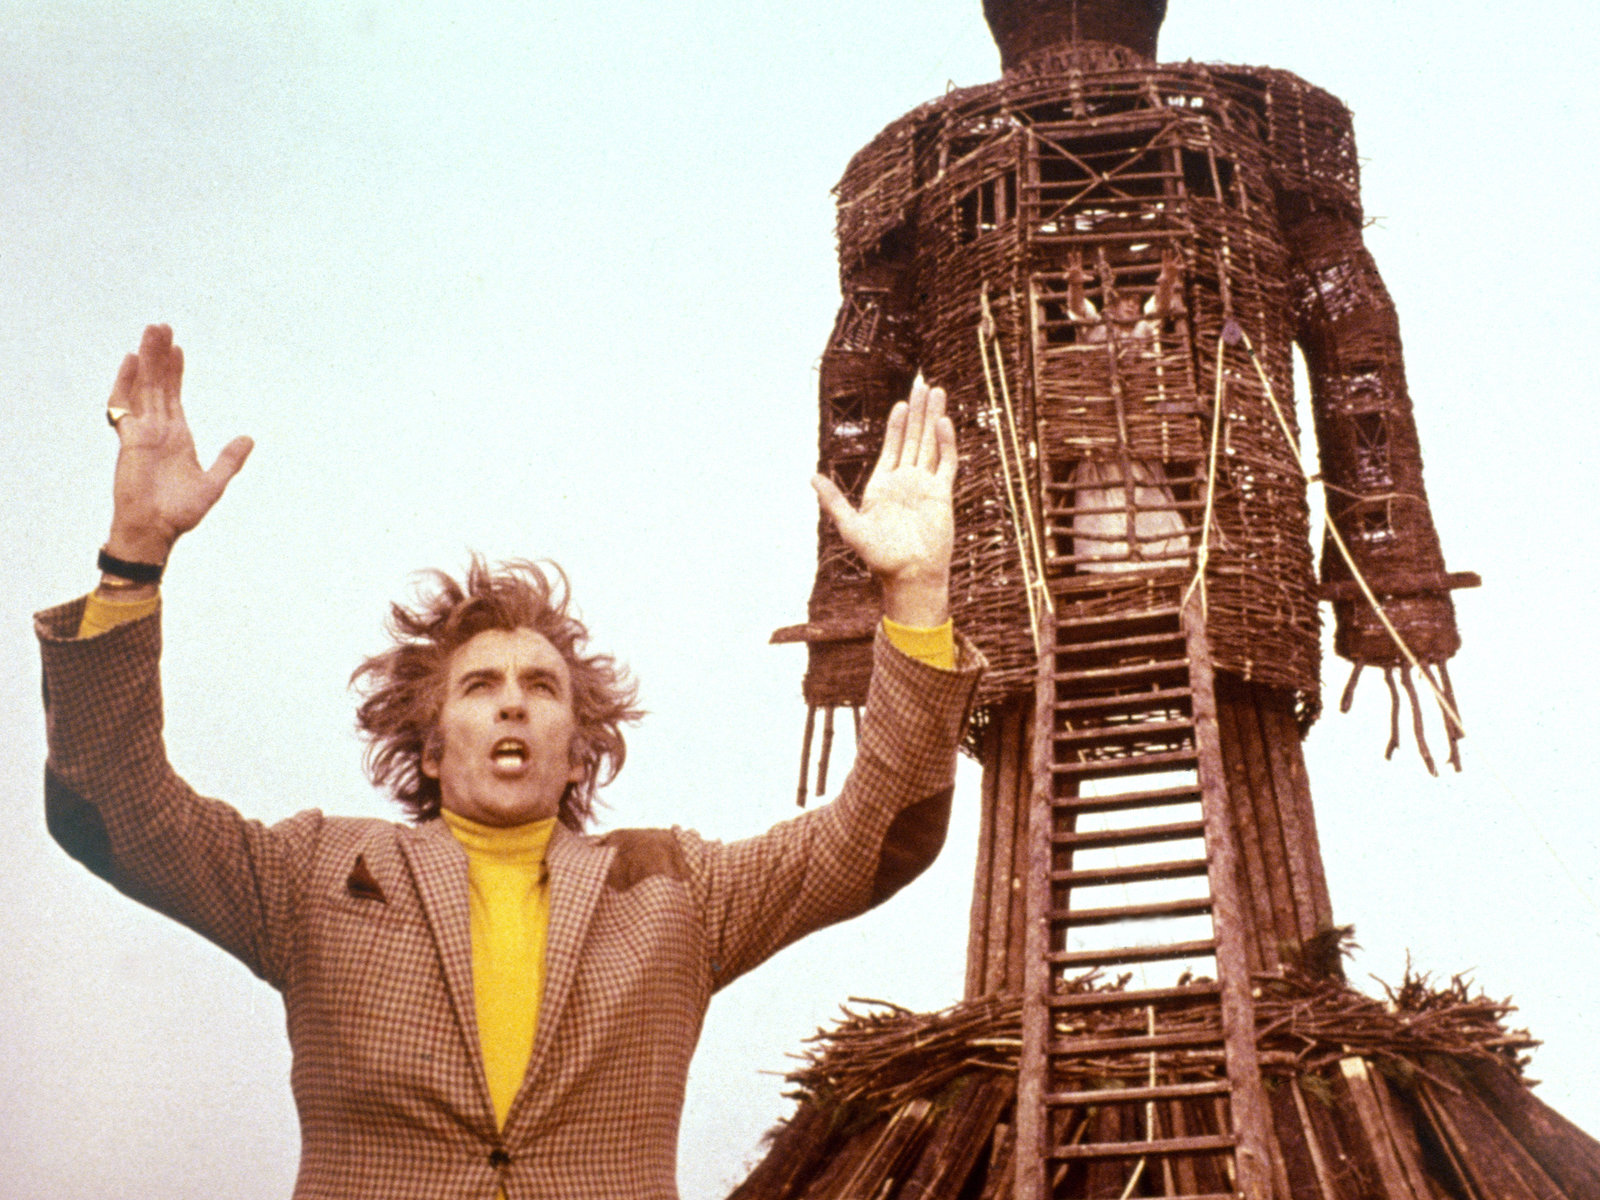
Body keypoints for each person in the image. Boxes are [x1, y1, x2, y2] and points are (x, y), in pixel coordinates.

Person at [37, 324, 982, 1200]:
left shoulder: (678, 891)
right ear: (430, 746)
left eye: (543, 685)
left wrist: (916, 592)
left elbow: (883, 833)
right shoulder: (311, 875)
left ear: (577, 753)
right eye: (480, 685)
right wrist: (135, 556)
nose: (515, 701)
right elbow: (111, 806)